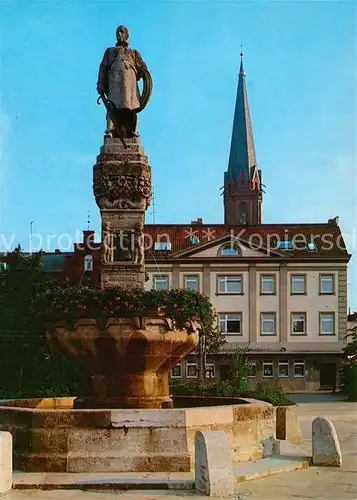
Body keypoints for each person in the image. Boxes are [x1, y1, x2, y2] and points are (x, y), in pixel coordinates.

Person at [97, 25, 152, 138]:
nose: (119, 34)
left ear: (127, 35)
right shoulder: (110, 51)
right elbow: (103, 68)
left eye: (122, 32)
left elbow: (144, 69)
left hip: (129, 84)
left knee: (131, 106)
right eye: (117, 32)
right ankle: (111, 129)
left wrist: (135, 73)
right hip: (115, 82)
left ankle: (132, 130)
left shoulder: (134, 53)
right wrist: (101, 84)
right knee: (113, 104)